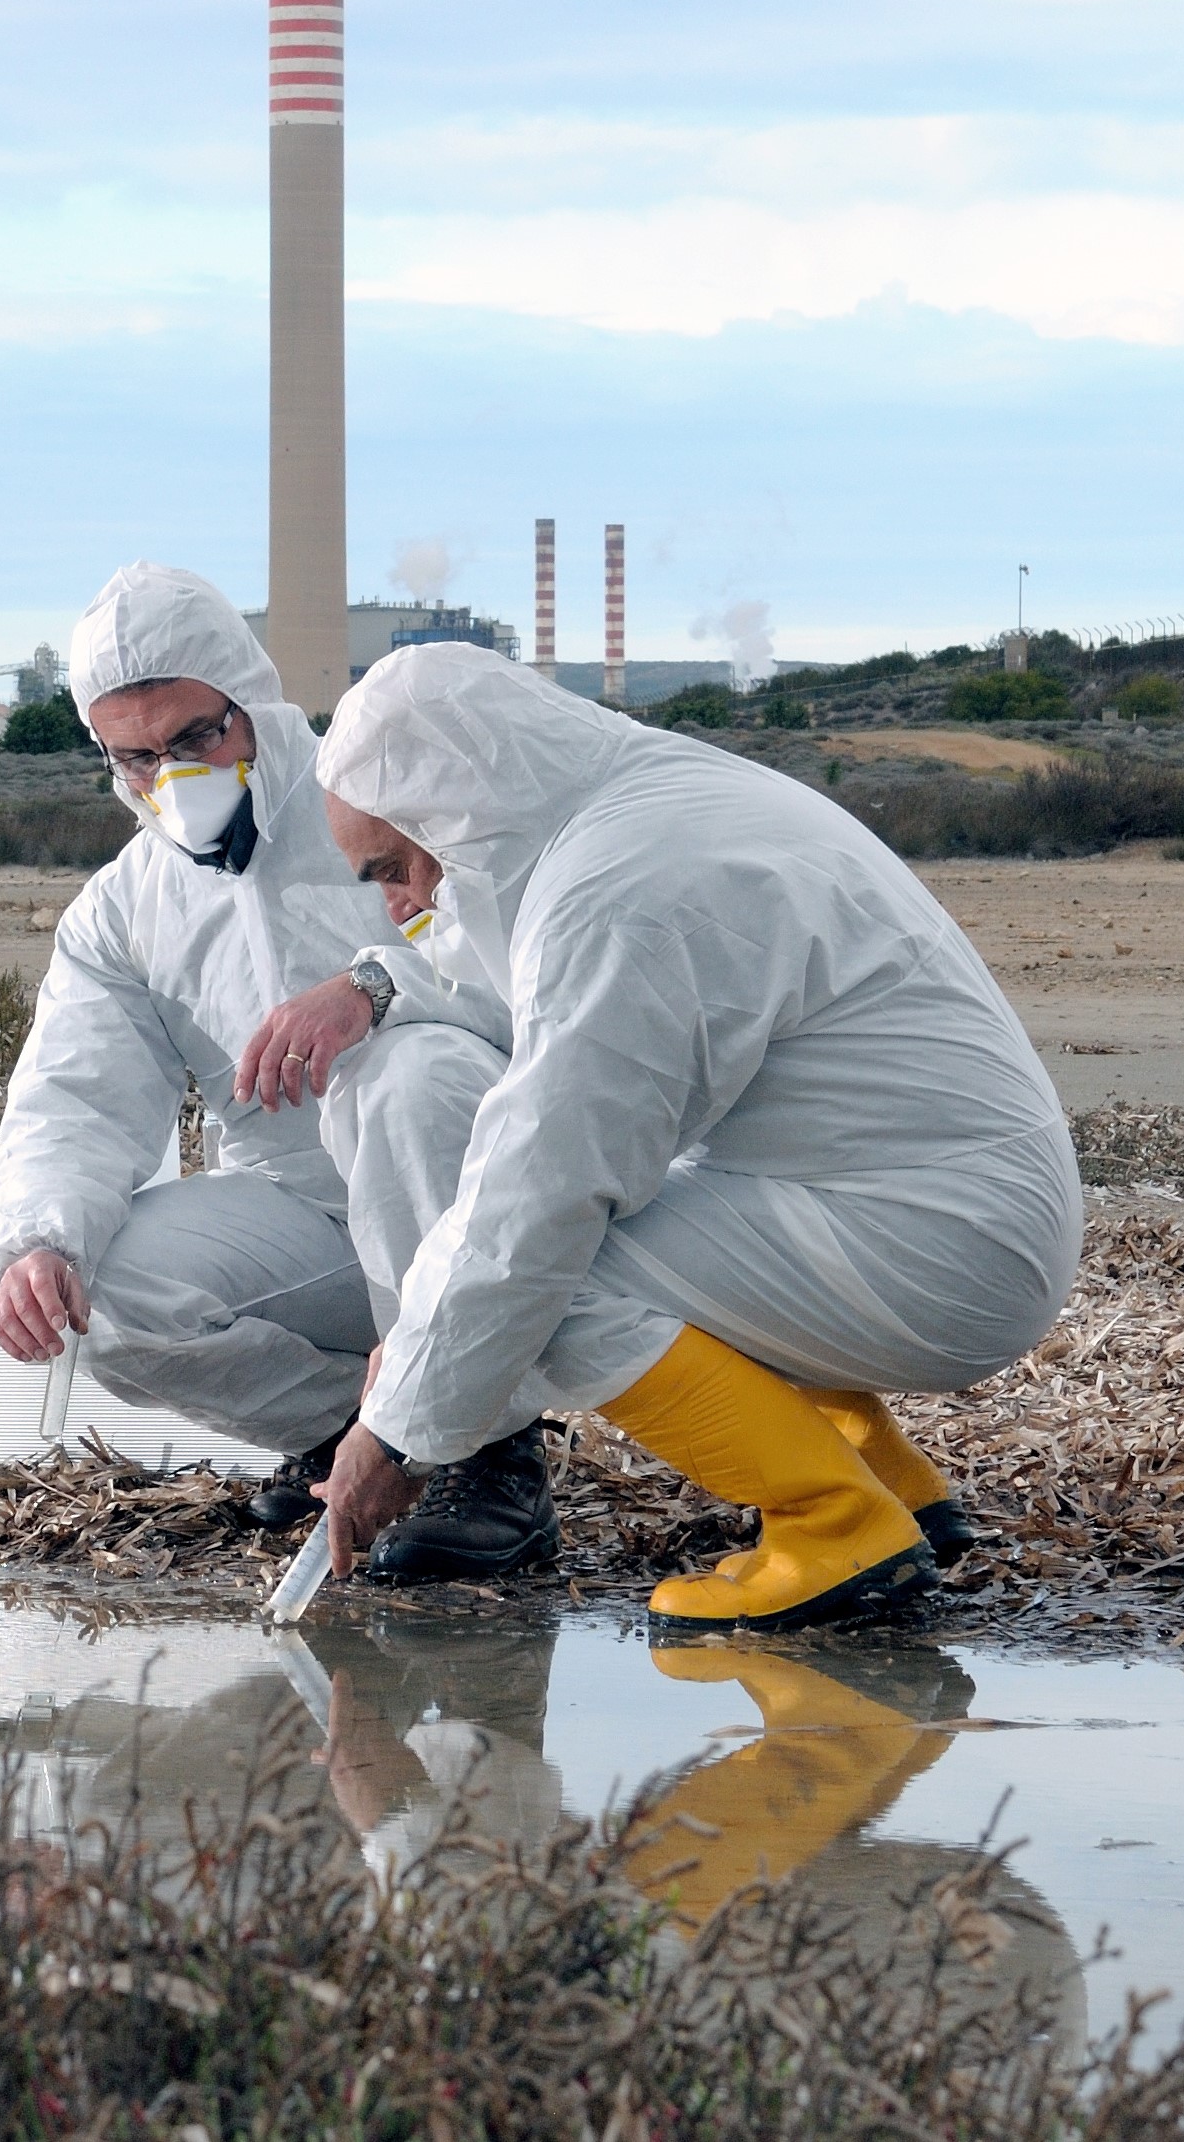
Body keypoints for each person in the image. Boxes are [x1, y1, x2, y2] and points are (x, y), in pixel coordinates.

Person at [304, 642, 1083, 1631]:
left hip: (943, 1247)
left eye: (391, 868)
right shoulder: (651, 807)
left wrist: (399, 1425)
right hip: (957, 1210)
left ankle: (832, 1519)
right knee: (634, 1199)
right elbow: (528, 1010)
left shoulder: (611, 893)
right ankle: (876, 1467)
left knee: (553, 1278)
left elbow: (538, 1202)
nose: (396, 903)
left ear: (454, 814)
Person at [0, 564, 559, 1579]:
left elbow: (529, 977)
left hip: (472, 1201)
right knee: (104, 1296)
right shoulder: (124, 909)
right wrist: (36, 1238)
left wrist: (373, 987)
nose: (173, 772)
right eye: (137, 755)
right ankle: (368, 1433)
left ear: (248, 696)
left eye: (198, 734)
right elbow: (74, 1092)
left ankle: (486, 1451)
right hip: (304, 1213)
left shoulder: (388, 795)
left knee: (403, 1074)